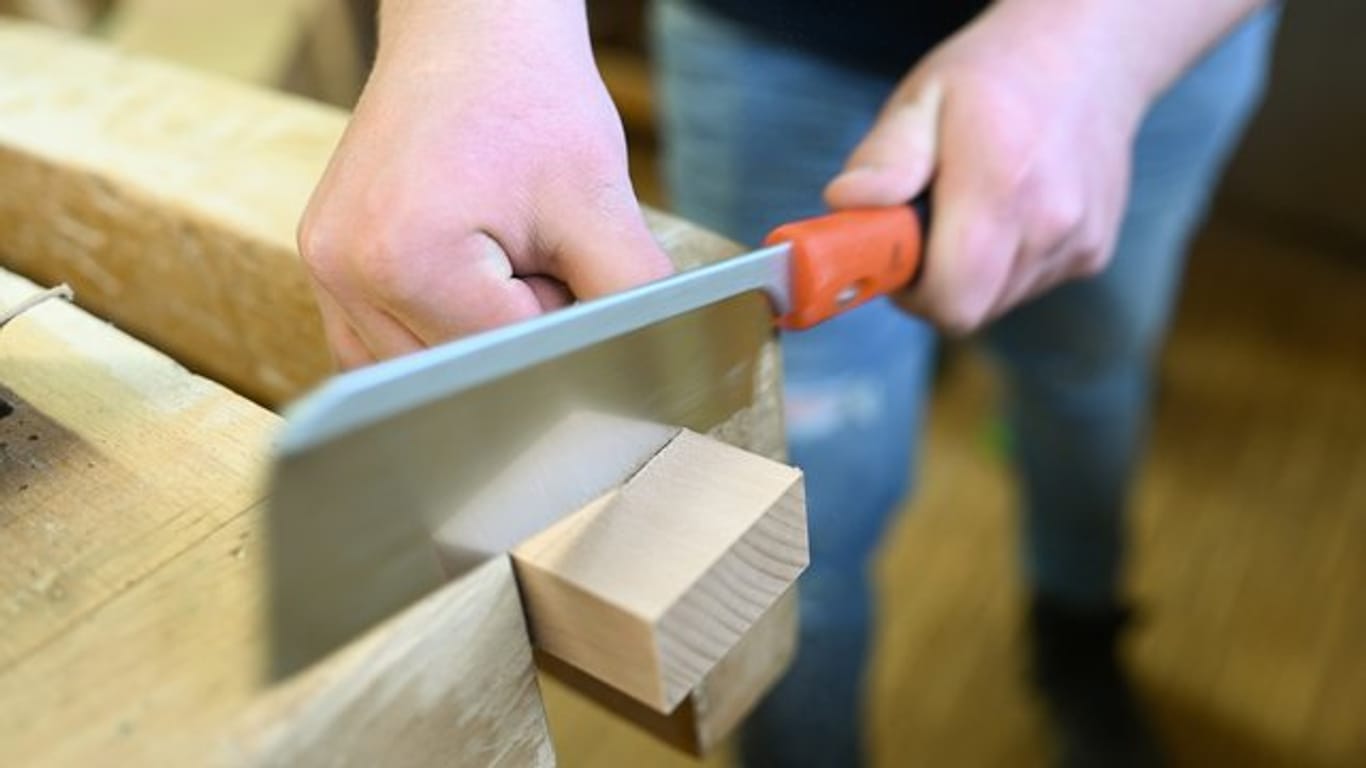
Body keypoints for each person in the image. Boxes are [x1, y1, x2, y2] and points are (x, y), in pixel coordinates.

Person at [297, 1, 1281, 765]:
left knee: (1086, 386)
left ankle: (1078, 641)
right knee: (799, 514)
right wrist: (465, 31)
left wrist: (1096, 46)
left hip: (1153, 45)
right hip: (770, 39)